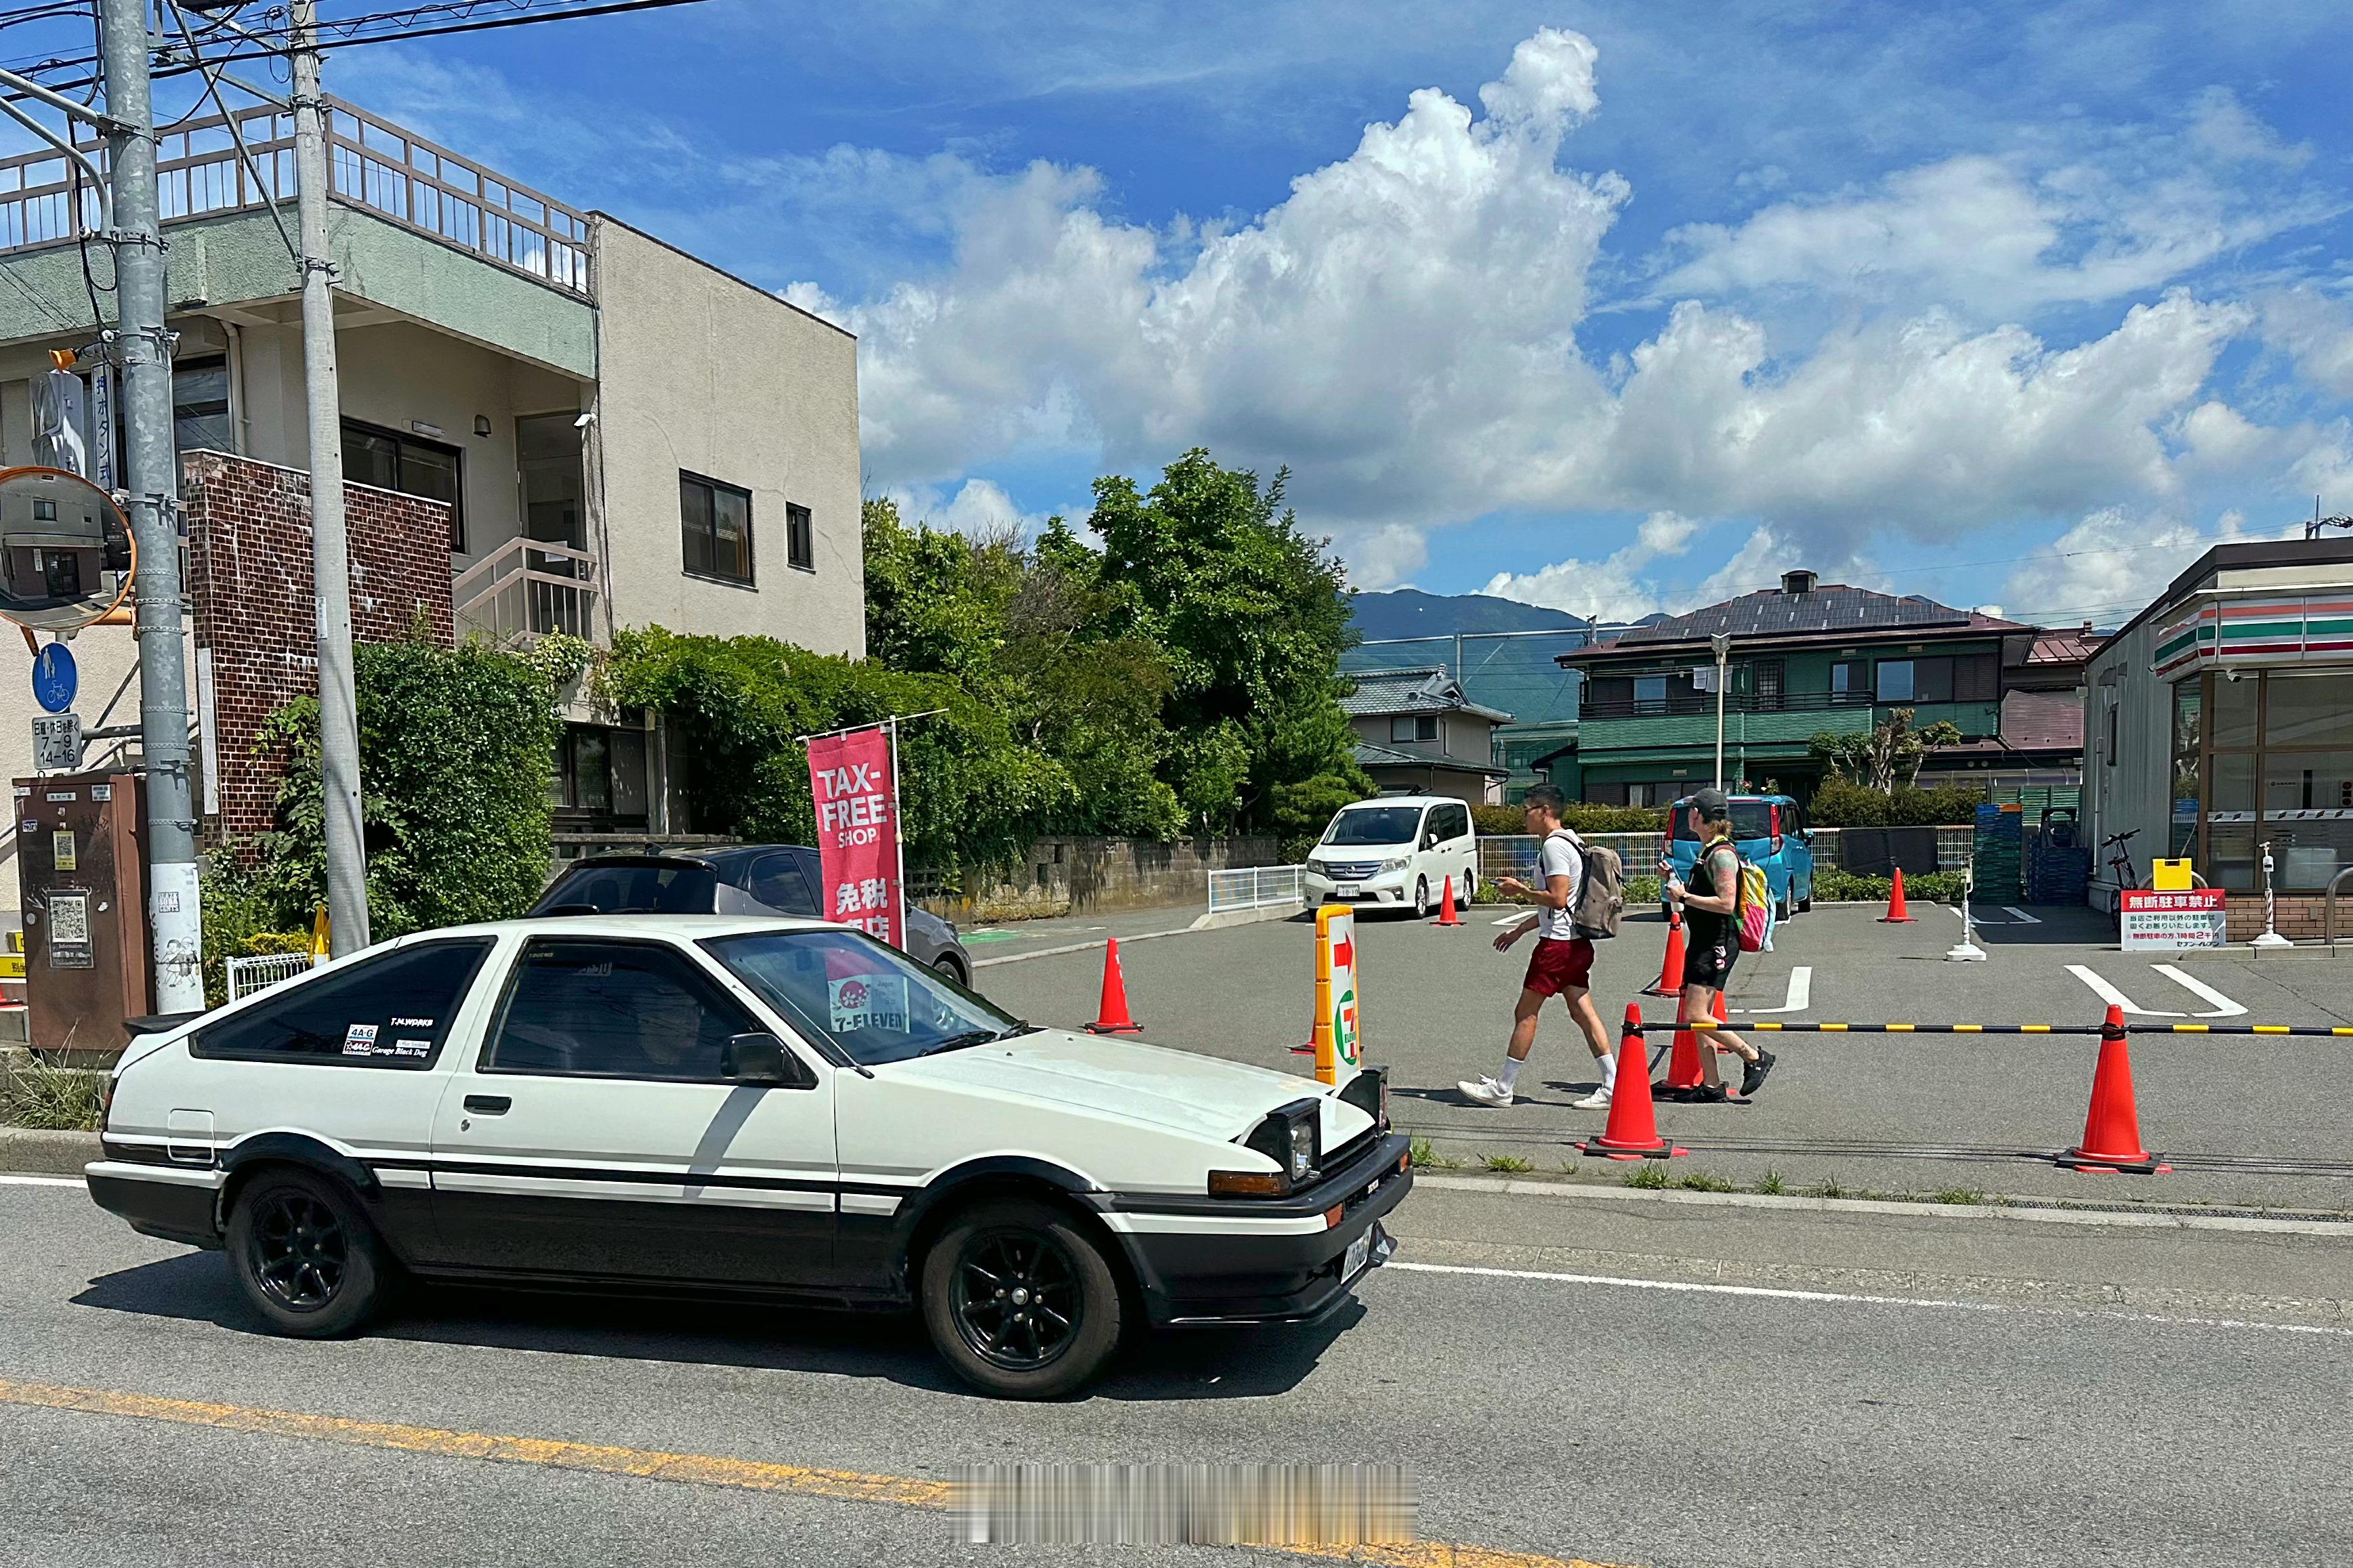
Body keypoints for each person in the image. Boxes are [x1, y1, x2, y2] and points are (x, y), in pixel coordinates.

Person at [1458, 786, 1617, 1110]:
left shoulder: (1554, 848)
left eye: (1527, 809)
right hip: (1575, 943)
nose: (1523, 815)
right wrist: (1520, 929)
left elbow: (1558, 899)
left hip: (1557, 948)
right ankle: (1613, 1082)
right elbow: (1563, 905)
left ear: (1545, 811)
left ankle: (1504, 1088)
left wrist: (1520, 890)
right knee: (1582, 1011)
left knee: (1526, 1013)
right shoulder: (1572, 840)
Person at [1660, 787, 1775, 1102]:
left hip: (1716, 943)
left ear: (1698, 815)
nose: (1689, 816)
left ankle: (1753, 1056)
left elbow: (1726, 903)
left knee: (1697, 1015)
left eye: (1691, 810)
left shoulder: (1722, 855)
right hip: (1704, 941)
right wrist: (1679, 885)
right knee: (1701, 1016)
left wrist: (1685, 896)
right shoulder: (1709, 851)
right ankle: (1711, 1085)